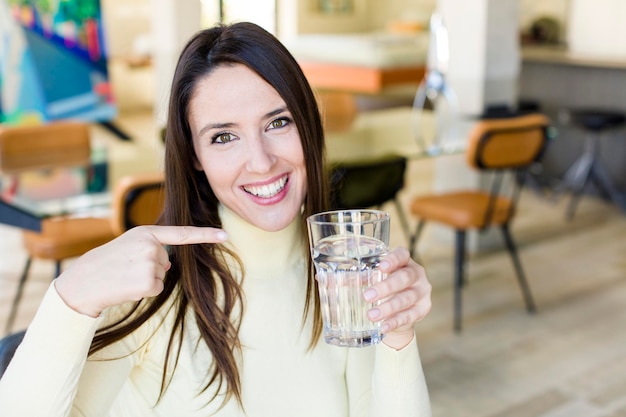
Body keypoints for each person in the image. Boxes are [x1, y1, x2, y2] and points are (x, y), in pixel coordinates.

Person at [0, 22, 432, 416]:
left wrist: (399, 336)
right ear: (194, 156)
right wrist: (71, 296)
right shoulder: (153, 290)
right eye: (224, 137)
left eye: (278, 122)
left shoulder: (344, 274)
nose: (261, 162)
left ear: (308, 125)